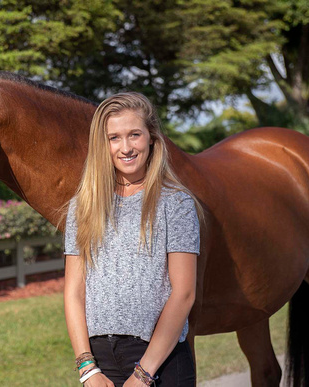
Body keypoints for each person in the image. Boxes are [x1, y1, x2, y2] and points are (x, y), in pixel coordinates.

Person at [63, 92, 202, 386]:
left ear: (151, 138)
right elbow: (74, 292)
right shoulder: (83, 206)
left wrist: (144, 373)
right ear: (103, 144)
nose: (125, 147)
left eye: (134, 135)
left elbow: (184, 294)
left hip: (161, 362)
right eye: (114, 137)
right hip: (100, 362)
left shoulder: (176, 204)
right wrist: (87, 368)